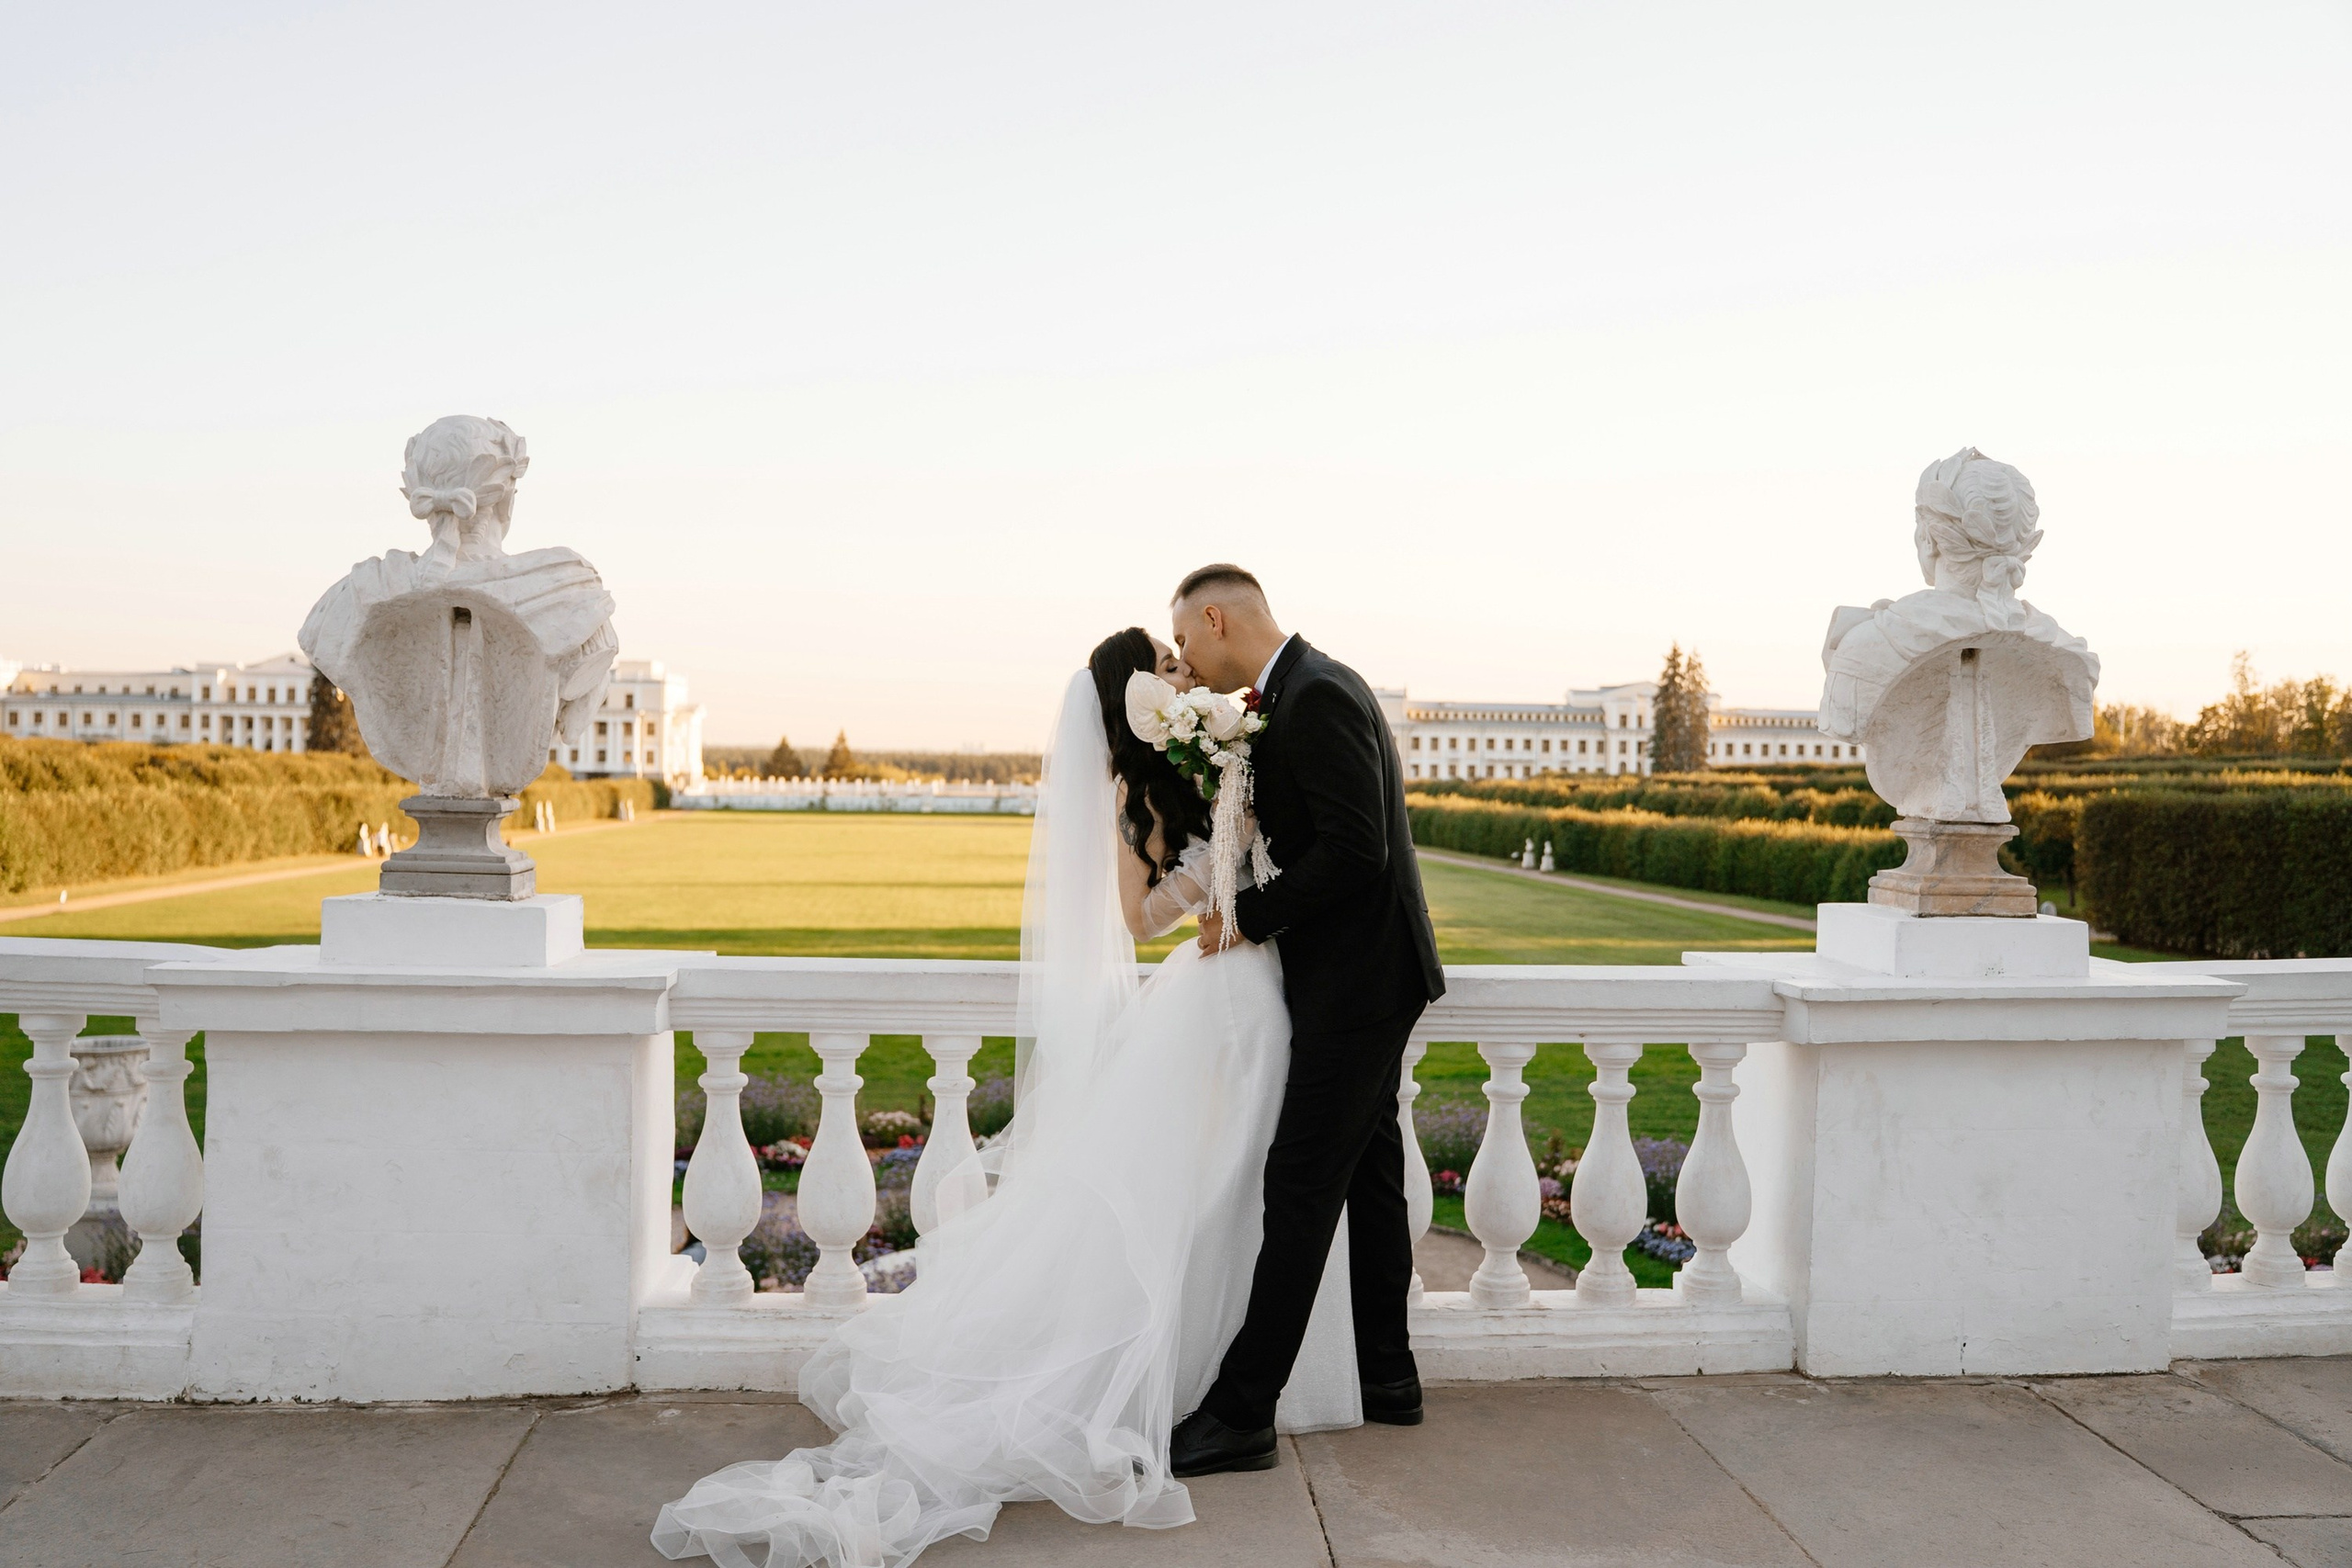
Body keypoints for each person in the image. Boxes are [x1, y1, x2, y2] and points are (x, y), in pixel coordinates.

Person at [651, 626, 1360, 1568]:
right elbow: (1136, 915)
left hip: (1252, 992)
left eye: (1184, 661)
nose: (1186, 672)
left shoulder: (1218, 749)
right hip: (1221, 992)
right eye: (1169, 665)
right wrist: (1205, 885)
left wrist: (1230, 874)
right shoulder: (1142, 787)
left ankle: (1238, 1372)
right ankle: (1198, 1378)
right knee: (1211, 1185)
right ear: (1141, 692)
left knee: (1244, 1185)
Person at [1164, 564, 1446, 1476]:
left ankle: (1243, 1410)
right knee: (1368, 1177)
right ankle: (1387, 1376)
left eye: (1186, 641)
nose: (1186, 661)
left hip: (1359, 984)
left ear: (1216, 618)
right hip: (1362, 976)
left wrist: (1245, 916)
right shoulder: (1297, 687)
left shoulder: (1315, 693)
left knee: (1298, 1186)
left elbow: (1355, 852)